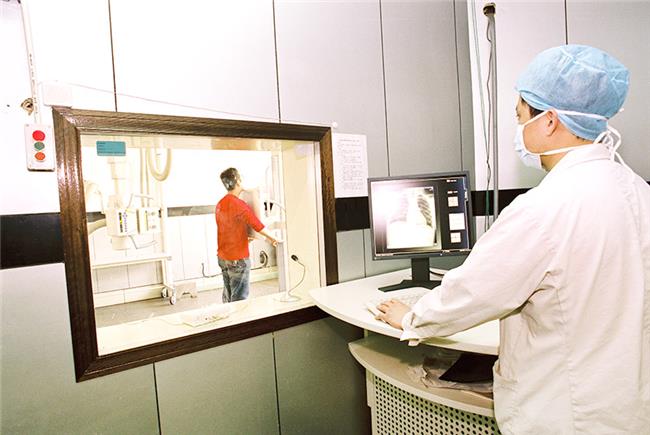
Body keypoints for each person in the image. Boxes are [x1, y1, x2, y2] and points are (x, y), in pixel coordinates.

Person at [376, 45, 650, 434]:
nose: (518, 129)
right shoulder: (638, 190)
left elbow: (473, 292)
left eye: (520, 116)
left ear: (549, 121)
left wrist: (412, 318)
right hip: (629, 408)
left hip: (568, 415)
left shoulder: (543, 208)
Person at [215, 167, 278, 303]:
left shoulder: (220, 204)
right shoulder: (239, 204)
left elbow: (227, 229)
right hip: (237, 259)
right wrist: (274, 238)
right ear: (237, 180)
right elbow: (258, 225)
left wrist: (245, 237)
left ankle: (228, 316)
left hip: (223, 257)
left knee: (228, 296)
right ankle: (237, 317)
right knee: (239, 300)